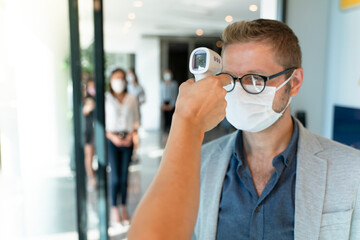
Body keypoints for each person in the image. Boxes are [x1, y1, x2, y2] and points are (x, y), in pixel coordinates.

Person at [128, 19, 360, 239]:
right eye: (229, 78)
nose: (238, 90)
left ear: (294, 82)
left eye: (255, 79)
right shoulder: (198, 164)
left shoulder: (351, 169)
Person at [105, 68, 140, 225]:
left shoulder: (132, 99)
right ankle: (114, 209)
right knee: (115, 177)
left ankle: (124, 208)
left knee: (125, 176)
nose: (118, 81)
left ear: (125, 81)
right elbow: (100, 124)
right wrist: (112, 137)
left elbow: (136, 120)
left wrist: (131, 136)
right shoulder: (105, 99)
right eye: (115, 78)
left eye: (121, 78)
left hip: (127, 140)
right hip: (111, 140)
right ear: (110, 81)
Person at [126, 68, 145, 162]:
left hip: (136, 112)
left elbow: (144, 99)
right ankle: (129, 152)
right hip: (126, 113)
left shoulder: (139, 87)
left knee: (135, 133)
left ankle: (135, 153)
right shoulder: (125, 87)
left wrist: (137, 103)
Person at [82, 79, 96, 189]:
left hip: (98, 133)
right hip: (88, 133)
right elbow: (85, 111)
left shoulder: (101, 100)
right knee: (89, 157)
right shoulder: (85, 101)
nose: (92, 89)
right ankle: (91, 179)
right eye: (90, 87)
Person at [160, 69, 178, 144]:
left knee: (171, 120)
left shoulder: (174, 84)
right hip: (164, 103)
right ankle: (165, 137)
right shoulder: (162, 84)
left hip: (171, 103)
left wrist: (172, 105)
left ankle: (172, 137)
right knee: (165, 121)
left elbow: (175, 94)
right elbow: (160, 95)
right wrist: (162, 104)